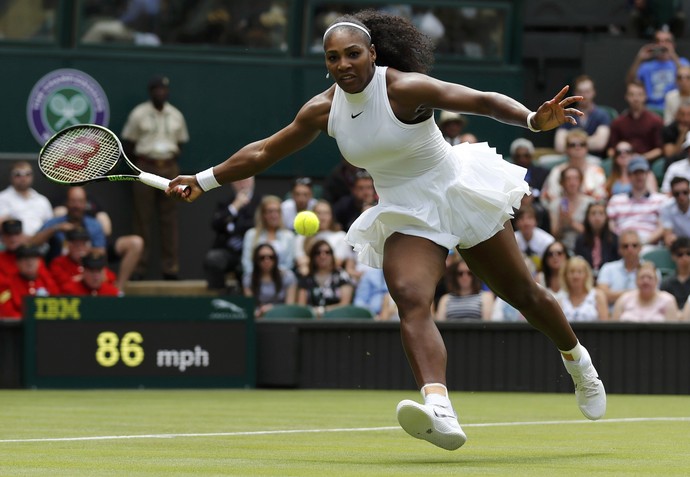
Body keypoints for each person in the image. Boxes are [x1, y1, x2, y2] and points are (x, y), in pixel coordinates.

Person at [167, 11, 607, 450]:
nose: (343, 64)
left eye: (353, 54)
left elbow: (481, 99)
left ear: (373, 54)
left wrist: (533, 120)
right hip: (405, 209)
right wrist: (204, 180)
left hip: (456, 188)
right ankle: (440, 408)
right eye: (333, 57)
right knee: (410, 296)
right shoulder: (323, 109)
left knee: (524, 295)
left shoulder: (403, 88)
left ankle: (579, 362)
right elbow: (264, 151)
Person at [121, 75, 189, 280]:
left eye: (163, 89)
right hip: (145, 166)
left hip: (170, 167)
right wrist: (143, 164)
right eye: (156, 89)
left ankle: (171, 269)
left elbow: (181, 143)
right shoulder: (138, 114)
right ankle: (140, 268)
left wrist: (167, 162)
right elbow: (129, 143)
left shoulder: (176, 115)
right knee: (142, 218)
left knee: (170, 219)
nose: (160, 92)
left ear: (167, 92)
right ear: (151, 92)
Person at [51, 187, 143, 291]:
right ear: (66, 203)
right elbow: (34, 242)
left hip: (89, 265)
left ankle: (120, 290)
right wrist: (56, 228)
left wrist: (85, 251)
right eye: (73, 201)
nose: (76, 205)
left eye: (80, 201)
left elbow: (101, 254)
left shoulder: (94, 225)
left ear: (85, 203)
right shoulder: (55, 224)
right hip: (66, 270)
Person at [204, 176, 261, 291]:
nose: (242, 184)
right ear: (232, 183)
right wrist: (234, 207)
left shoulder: (261, 202)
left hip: (253, 252)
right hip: (230, 252)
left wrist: (232, 225)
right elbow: (216, 225)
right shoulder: (225, 203)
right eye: (238, 179)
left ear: (252, 181)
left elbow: (251, 227)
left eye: (245, 179)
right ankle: (218, 299)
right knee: (213, 258)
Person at [606, 156, 668, 251]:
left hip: (649, 246)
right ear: (629, 176)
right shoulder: (616, 200)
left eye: (642, 172)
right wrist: (625, 241)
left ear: (647, 174)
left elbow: (662, 226)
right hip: (622, 246)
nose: (639, 176)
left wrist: (642, 242)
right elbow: (611, 225)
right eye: (635, 173)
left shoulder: (661, 200)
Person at [626, 27, 690, 114]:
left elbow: (686, 78)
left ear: (673, 44)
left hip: (677, 107)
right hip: (651, 109)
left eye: (667, 41)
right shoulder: (647, 66)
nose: (662, 44)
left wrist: (673, 56)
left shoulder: (681, 62)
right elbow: (630, 82)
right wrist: (639, 59)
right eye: (658, 41)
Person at [541, 129, 607, 207]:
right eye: (572, 145)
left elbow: (601, 198)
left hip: (590, 213)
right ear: (566, 149)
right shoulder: (557, 171)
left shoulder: (596, 171)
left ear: (587, 148)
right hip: (562, 212)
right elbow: (550, 197)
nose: (577, 147)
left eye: (582, 144)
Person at [596, 229, 660, 308]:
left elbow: (654, 296)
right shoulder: (608, 268)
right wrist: (636, 293)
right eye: (625, 246)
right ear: (619, 249)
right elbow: (602, 295)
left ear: (641, 248)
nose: (630, 249)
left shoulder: (651, 269)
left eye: (634, 245)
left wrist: (614, 295)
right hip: (612, 317)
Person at [553, 75, 611, 158]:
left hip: (593, 159)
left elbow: (599, 144)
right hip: (569, 158)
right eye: (580, 92)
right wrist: (589, 141)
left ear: (593, 92)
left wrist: (571, 143)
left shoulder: (602, 115)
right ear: (575, 93)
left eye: (587, 91)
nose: (583, 95)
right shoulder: (567, 114)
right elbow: (559, 146)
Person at [606, 80, 663, 163]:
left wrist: (640, 158)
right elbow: (611, 150)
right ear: (626, 97)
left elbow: (659, 150)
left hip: (647, 163)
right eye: (631, 95)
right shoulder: (618, 123)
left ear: (645, 96)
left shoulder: (656, 121)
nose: (636, 98)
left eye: (639, 94)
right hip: (623, 163)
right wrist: (622, 158)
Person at [241, 195, 295, 280]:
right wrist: (259, 277)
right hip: (256, 280)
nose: (274, 215)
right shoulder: (251, 234)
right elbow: (246, 262)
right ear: (263, 214)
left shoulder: (289, 236)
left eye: (277, 211)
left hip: (281, 279)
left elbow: (289, 264)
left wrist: (273, 276)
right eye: (270, 211)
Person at [296, 239, 354, 317]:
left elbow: (345, 304)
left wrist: (322, 311)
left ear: (332, 255)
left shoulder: (342, 276)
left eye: (327, 252)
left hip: (337, 319)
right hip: (311, 321)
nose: (323, 256)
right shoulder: (306, 279)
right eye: (318, 253)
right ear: (312, 257)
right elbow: (301, 306)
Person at [294, 199, 351, 276]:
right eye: (319, 213)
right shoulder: (302, 236)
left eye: (326, 213)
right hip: (308, 276)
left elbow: (337, 262)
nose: (322, 217)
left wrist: (309, 262)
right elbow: (300, 261)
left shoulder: (341, 236)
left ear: (331, 216)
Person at [0, 245, 59, 319]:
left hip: (46, 326)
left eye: (33, 259)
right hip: (17, 327)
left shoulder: (47, 282)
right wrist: (29, 322)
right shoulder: (7, 284)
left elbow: (57, 306)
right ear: (17, 263)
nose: (30, 263)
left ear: (39, 262)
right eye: (25, 259)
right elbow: (7, 312)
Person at [242, 243, 297, 318]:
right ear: (256, 260)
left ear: (276, 259)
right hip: (258, 319)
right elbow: (250, 308)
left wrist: (273, 309)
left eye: (271, 257)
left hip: (283, 318)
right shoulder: (248, 279)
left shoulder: (288, 276)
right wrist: (260, 312)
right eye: (262, 258)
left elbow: (290, 307)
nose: (267, 261)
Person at [0, 161, 53, 237]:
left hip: (40, 244)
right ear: (11, 177)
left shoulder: (42, 200)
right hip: (12, 243)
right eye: (18, 174)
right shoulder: (2, 198)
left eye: (27, 174)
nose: (23, 178)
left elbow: (49, 225)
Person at [611, 262, 679, 321]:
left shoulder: (668, 301)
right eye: (642, 277)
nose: (645, 281)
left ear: (656, 281)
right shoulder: (624, 300)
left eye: (650, 277)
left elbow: (673, 332)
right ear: (636, 281)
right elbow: (614, 329)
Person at [548, 166, 594, 252]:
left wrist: (571, 223)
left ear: (580, 181)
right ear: (562, 182)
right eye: (568, 179)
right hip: (564, 249)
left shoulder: (590, 203)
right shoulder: (555, 205)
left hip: (586, 247)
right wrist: (561, 222)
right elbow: (554, 235)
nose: (572, 182)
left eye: (576, 178)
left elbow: (593, 234)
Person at [556, 256, 609, 322]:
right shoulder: (559, 299)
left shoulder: (597, 296)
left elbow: (605, 324)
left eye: (580, 272)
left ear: (586, 275)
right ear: (565, 275)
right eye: (572, 272)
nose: (575, 276)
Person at [574, 201, 620, 276]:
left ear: (606, 217)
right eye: (593, 213)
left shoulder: (614, 239)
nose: (597, 217)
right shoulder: (580, 239)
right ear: (587, 217)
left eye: (601, 213)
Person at [513, 204, 555, 271]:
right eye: (521, 218)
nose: (526, 223)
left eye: (529, 218)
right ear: (516, 223)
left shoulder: (548, 241)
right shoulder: (512, 240)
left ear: (536, 221)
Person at [660, 237, 690, 309]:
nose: (684, 257)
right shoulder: (666, 283)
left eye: (688, 253)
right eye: (680, 254)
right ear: (673, 256)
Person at [661, 176, 690, 247]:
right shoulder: (667, 208)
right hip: (679, 247)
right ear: (672, 194)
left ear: (689, 191)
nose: (681, 196)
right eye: (677, 193)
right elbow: (668, 237)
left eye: (685, 192)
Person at [661, 101, 690, 168]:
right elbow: (670, 155)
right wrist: (682, 135)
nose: (685, 119)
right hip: (676, 163)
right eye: (682, 114)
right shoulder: (669, 130)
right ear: (676, 115)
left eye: (689, 114)